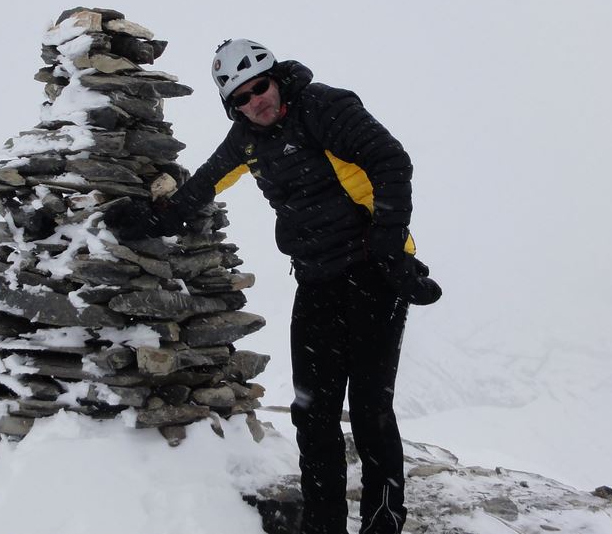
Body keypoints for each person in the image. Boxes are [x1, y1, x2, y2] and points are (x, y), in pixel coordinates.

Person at [106, 39, 440, 534]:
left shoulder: (324, 107)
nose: (254, 102)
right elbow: (202, 187)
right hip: (317, 280)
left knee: (370, 408)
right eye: (240, 97)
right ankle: (324, 525)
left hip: (374, 270)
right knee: (313, 412)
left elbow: (391, 162)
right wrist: (152, 221)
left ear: (276, 78)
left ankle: (383, 522)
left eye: (259, 87)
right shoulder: (246, 139)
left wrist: (391, 249)